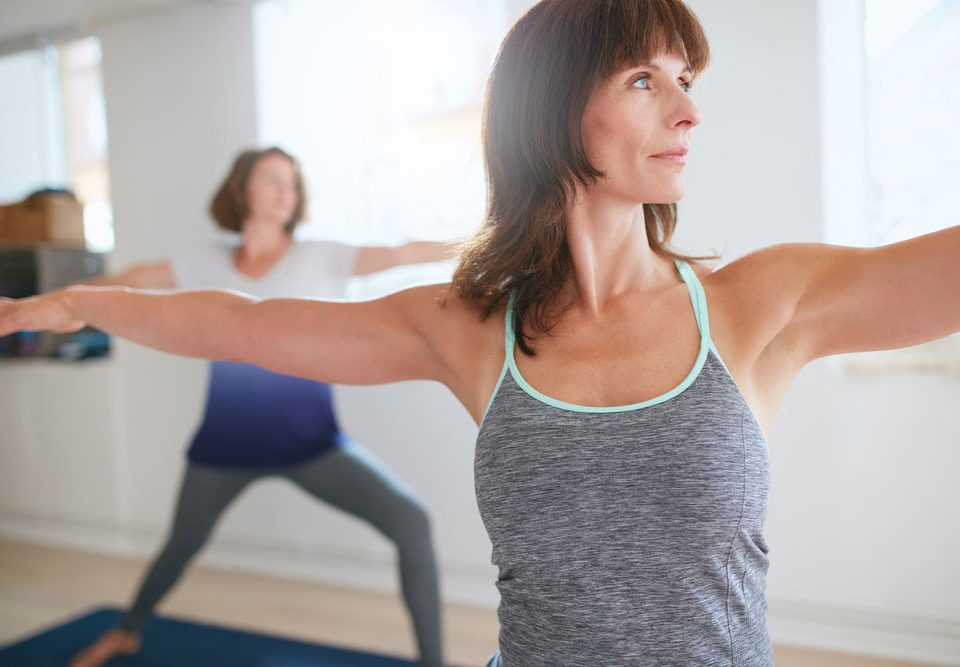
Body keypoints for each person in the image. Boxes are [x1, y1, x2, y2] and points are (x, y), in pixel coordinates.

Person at [3, 1, 958, 664]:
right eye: (643, 78)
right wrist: (82, 303)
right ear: (554, 108)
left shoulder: (763, 301)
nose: (687, 107)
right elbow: (240, 323)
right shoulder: (469, 328)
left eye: (685, 76)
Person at [67, 147, 451, 667]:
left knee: (412, 522)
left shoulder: (323, 257)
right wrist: (56, 300)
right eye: (272, 179)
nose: (285, 192)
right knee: (180, 544)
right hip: (224, 447)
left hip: (311, 444)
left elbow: (405, 253)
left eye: (292, 184)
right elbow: (136, 279)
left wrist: (497, 240)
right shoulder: (203, 263)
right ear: (242, 188)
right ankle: (129, 630)